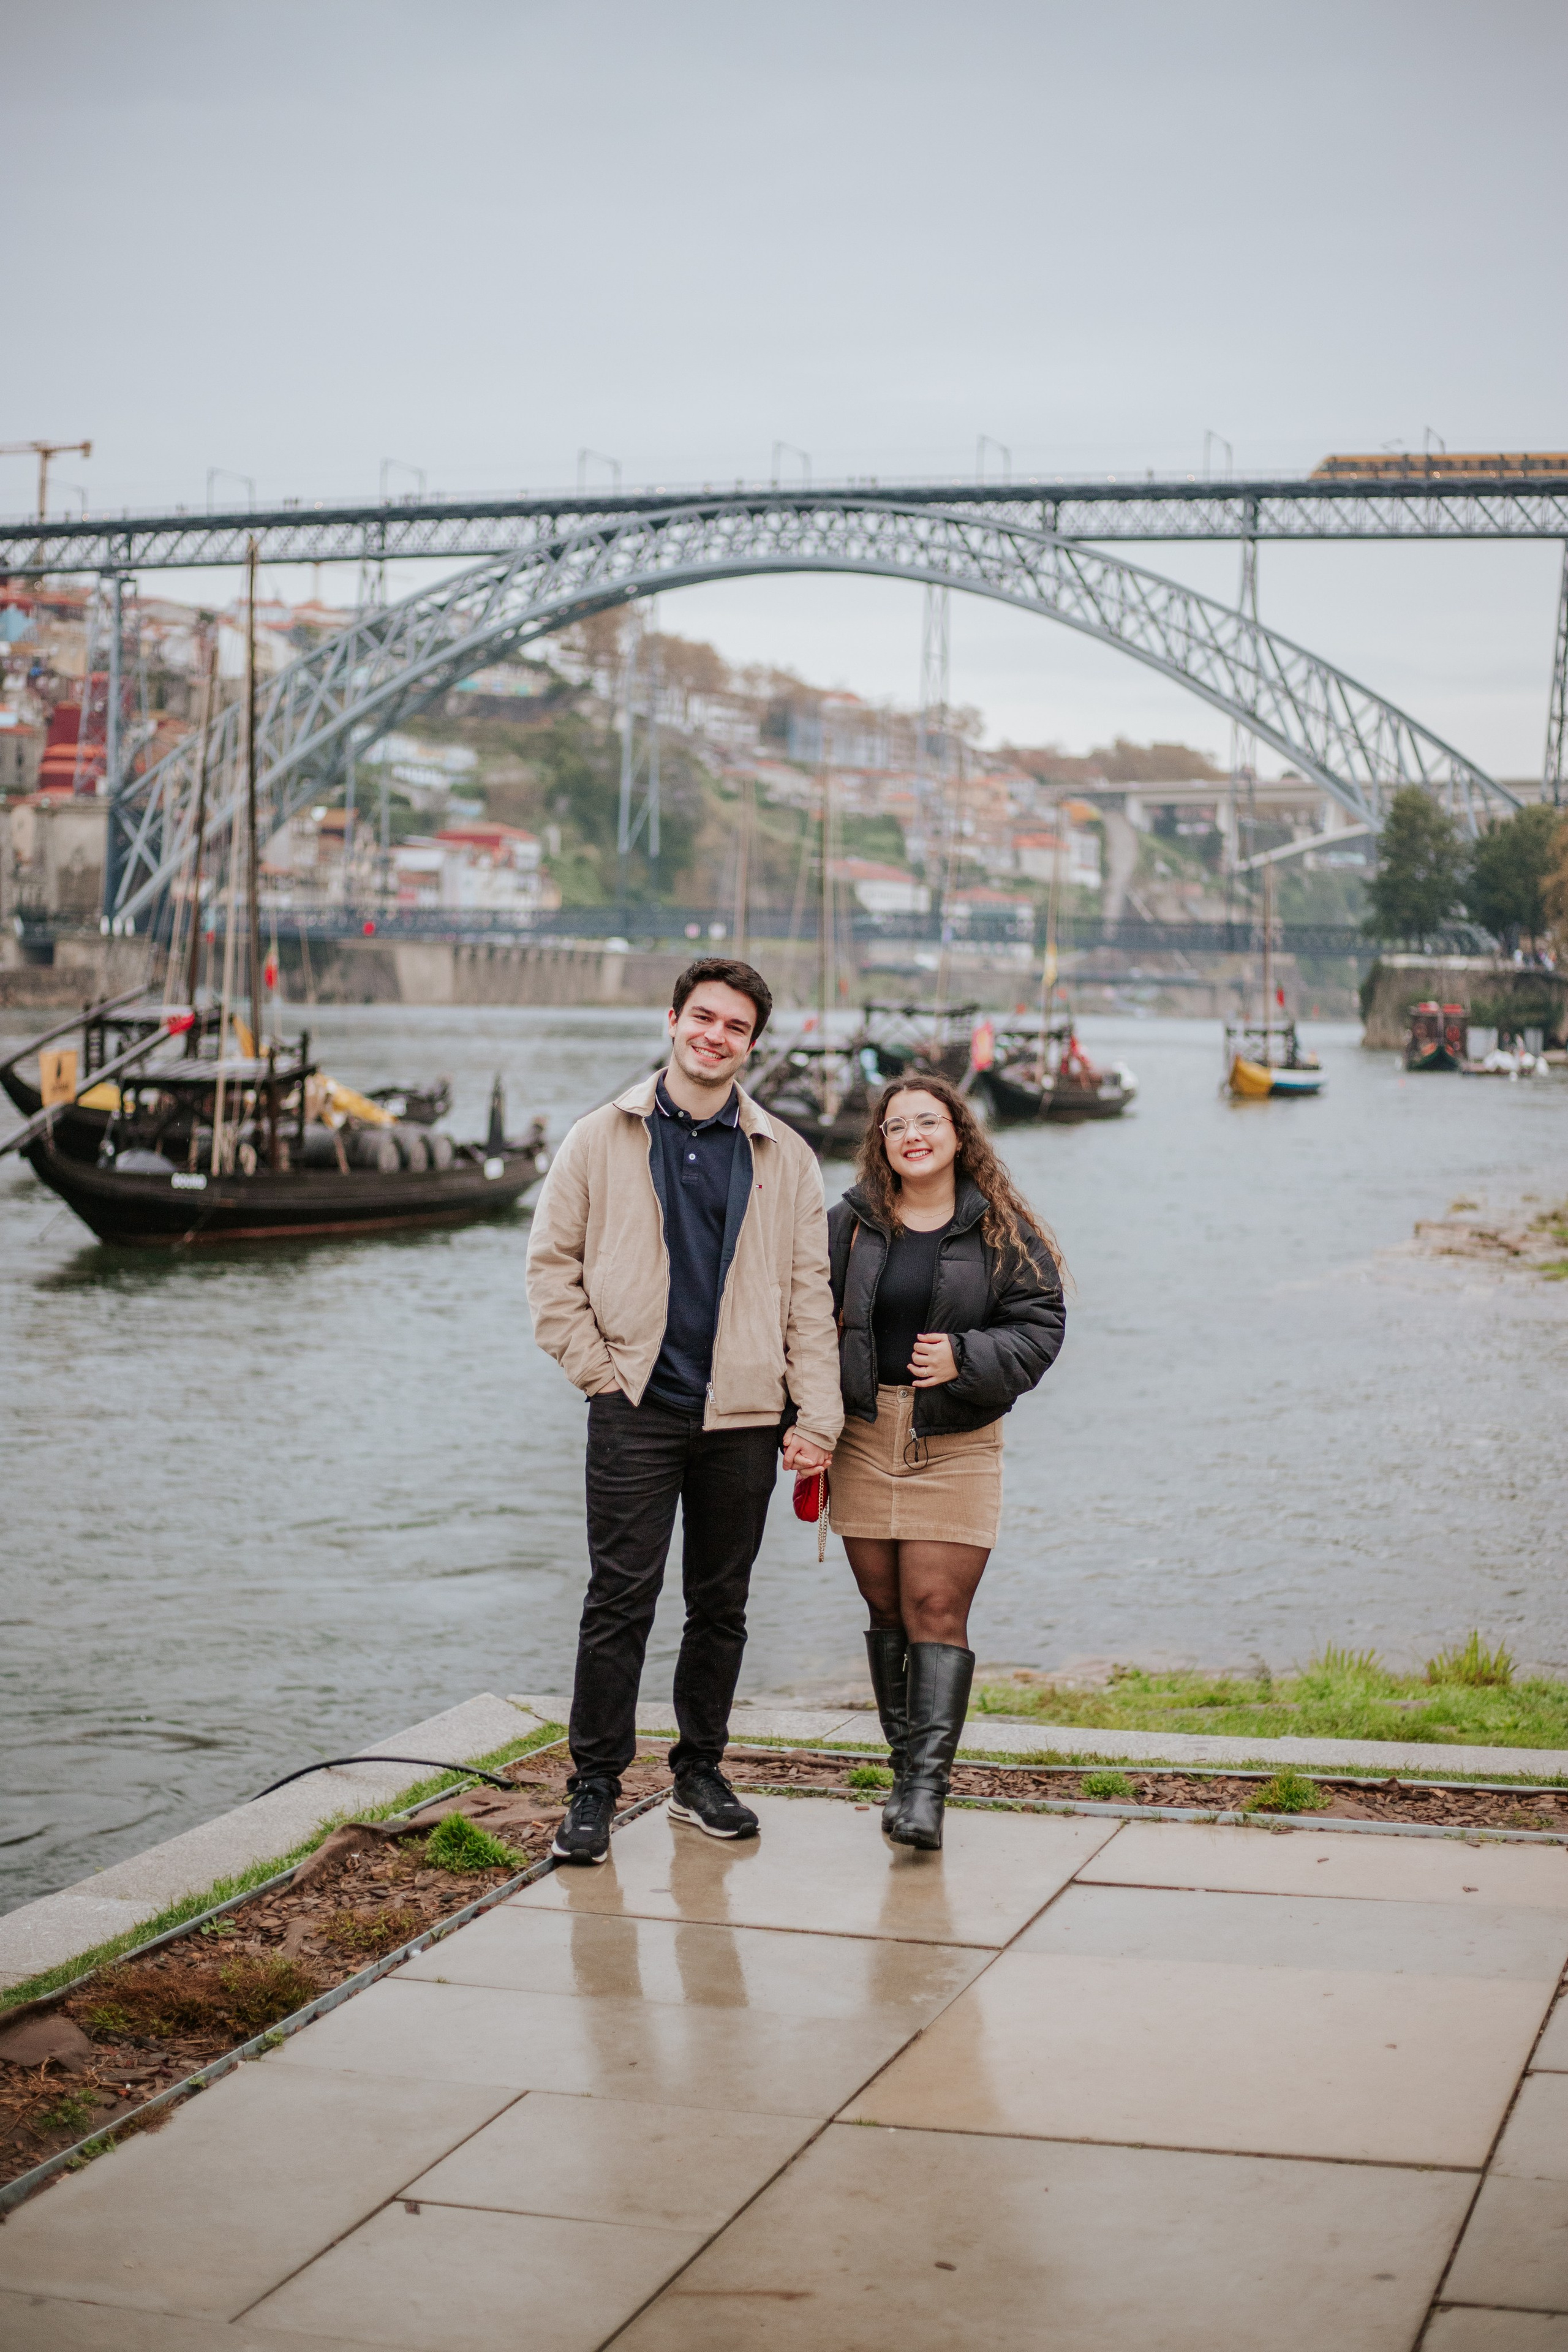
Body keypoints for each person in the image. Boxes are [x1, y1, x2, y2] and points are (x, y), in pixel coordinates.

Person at [526, 957, 842, 1865]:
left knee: (721, 1605)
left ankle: (699, 1772)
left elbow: (807, 1300)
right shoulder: (600, 1137)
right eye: (702, 1018)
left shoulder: (786, 1156)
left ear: (752, 1045)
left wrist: (815, 1419)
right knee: (618, 1600)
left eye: (735, 1027)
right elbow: (551, 1270)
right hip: (635, 1409)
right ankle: (593, 1787)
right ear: (672, 1021)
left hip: (743, 1418)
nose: (715, 1036)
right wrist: (600, 1375)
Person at [827, 1072, 1065, 1850]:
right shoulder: (850, 1224)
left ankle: (925, 1795)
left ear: (958, 1134)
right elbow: (802, 1317)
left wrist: (965, 1355)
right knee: (886, 1612)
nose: (913, 1136)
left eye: (928, 1122)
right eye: (896, 1127)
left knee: (935, 1609)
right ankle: (904, 1777)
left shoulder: (1000, 1227)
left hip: (956, 1443)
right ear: (882, 1143)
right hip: (862, 1437)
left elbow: (1041, 1326)